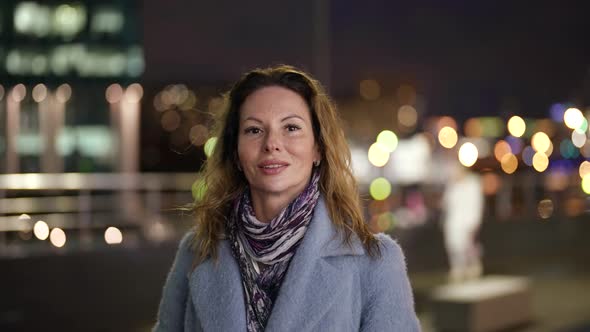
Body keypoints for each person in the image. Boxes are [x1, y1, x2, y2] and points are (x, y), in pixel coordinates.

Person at [153, 65, 420, 331]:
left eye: (291, 128)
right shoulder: (196, 252)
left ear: (318, 148)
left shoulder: (376, 261)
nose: (272, 143)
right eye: (254, 130)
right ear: (235, 152)